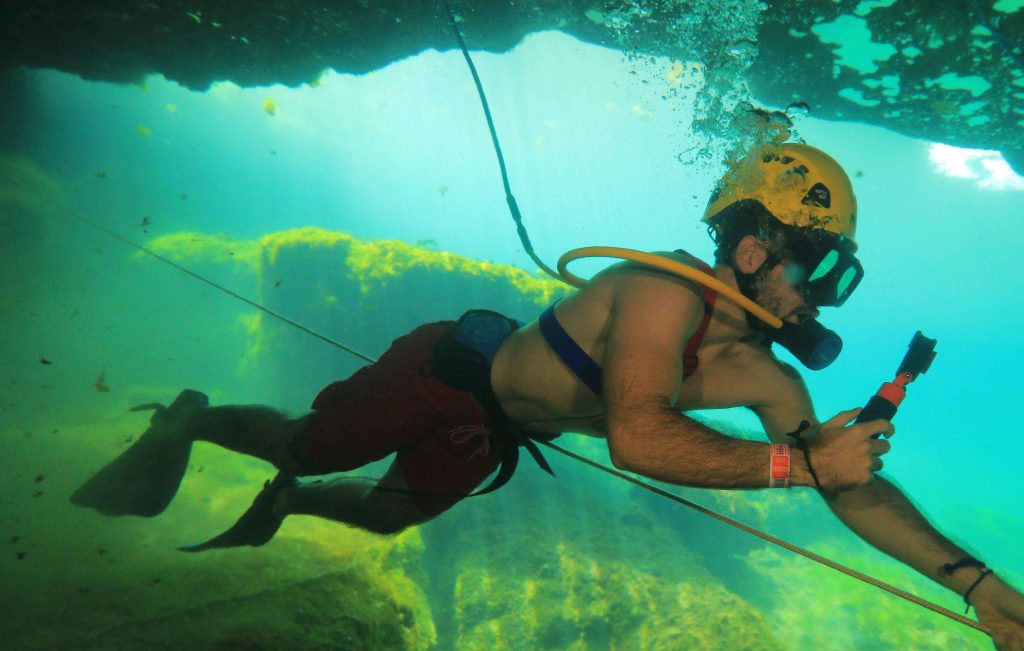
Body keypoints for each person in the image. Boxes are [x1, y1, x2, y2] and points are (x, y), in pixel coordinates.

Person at [72, 143, 1024, 649]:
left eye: (837, 282)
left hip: (488, 432)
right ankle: (196, 419)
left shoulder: (770, 378)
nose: (820, 298)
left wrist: (981, 586)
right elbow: (640, 439)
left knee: (373, 520)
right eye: (820, 269)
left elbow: (844, 488)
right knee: (301, 442)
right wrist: (802, 460)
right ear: (752, 247)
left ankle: (285, 500)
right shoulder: (661, 291)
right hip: (446, 372)